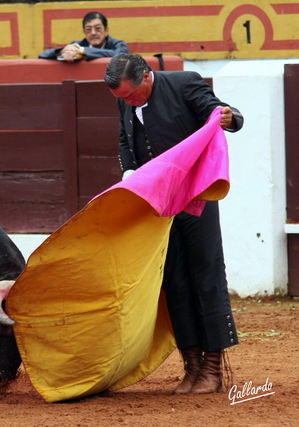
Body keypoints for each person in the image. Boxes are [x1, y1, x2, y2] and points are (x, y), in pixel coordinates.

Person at [104, 53, 244, 394]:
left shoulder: (184, 83)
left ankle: (212, 368)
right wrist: (129, 172)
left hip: (197, 195)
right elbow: (126, 140)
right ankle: (192, 366)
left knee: (205, 273)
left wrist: (230, 117)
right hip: (158, 202)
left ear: (147, 76)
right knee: (174, 280)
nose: (127, 102)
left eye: (130, 96)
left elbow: (222, 112)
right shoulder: (126, 100)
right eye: (121, 99)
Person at [39, 11, 128, 62]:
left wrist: (83, 51)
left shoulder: (119, 44)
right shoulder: (76, 45)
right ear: (84, 32)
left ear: (106, 31)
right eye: (88, 29)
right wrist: (62, 51)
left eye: (97, 28)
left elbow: (119, 55)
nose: (93, 33)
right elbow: (43, 55)